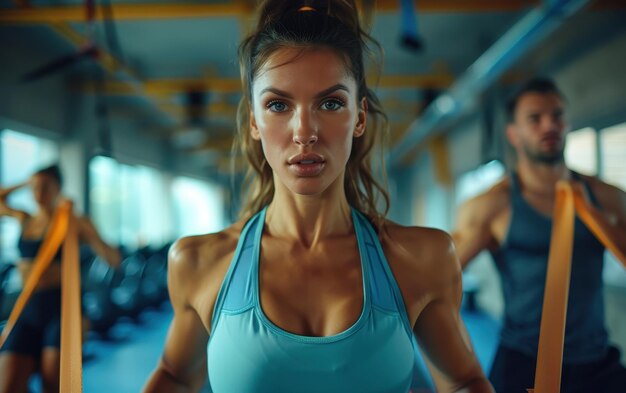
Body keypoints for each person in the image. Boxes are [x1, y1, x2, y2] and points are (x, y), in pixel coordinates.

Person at [143, 1, 492, 392]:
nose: (304, 131)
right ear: (254, 121)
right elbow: (175, 376)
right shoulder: (199, 264)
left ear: (359, 118)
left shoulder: (422, 259)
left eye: (330, 103)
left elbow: (463, 381)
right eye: (278, 105)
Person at [453, 77, 626, 392]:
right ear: (513, 134)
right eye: (535, 118)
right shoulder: (492, 205)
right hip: (523, 360)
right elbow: (441, 279)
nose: (550, 125)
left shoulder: (606, 197)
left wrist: (595, 216)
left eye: (557, 115)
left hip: (596, 361)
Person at [0, 164, 121, 393]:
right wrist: (26, 182)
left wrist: (93, 236)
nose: (39, 192)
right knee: (7, 386)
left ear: (59, 189)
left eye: (46, 186)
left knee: (53, 386)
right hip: (27, 306)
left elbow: (113, 259)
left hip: (61, 309)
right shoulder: (24, 219)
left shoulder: (72, 222)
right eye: (35, 187)